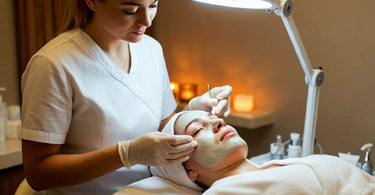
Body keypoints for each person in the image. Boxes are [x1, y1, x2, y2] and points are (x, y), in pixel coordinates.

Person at [20, 0, 232, 194]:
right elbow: (38, 174)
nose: (146, 21)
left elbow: (162, 126)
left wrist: (195, 110)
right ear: (92, 2)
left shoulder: (151, 49)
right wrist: (125, 155)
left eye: (153, 5)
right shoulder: (53, 65)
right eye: (130, 10)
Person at [151, 110, 375, 194]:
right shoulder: (226, 192)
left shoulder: (287, 165)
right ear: (190, 171)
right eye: (198, 129)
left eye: (215, 118)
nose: (218, 122)